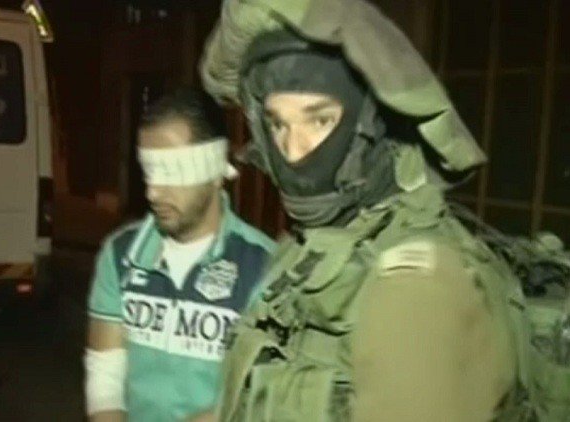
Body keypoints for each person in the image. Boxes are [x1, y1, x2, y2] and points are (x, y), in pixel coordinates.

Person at [199, 0, 527, 420]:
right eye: (278, 124)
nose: (293, 151)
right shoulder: (307, 250)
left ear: (371, 126)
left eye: (319, 121)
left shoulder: (417, 289)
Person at [84, 87, 275, 422]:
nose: (153, 192)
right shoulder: (121, 255)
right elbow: (106, 378)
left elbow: (263, 394)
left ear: (215, 171)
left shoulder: (265, 266)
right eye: (149, 171)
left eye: (172, 172)